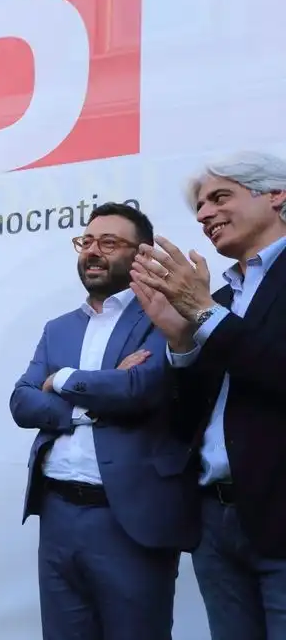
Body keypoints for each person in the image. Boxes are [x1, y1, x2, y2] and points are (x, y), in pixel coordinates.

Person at [9, 203, 199, 640]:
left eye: (109, 243)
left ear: (142, 254)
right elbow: (21, 402)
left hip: (129, 518)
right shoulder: (58, 328)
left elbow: (140, 389)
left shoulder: (163, 317)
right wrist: (90, 403)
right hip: (58, 514)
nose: (93, 251)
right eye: (87, 241)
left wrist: (61, 380)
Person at [131, 151, 286, 640]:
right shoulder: (217, 300)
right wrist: (180, 343)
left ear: (276, 195)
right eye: (199, 207)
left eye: (220, 197)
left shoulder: (208, 307)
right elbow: (186, 423)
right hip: (216, 523)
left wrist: (203, 316)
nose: (204, 215)